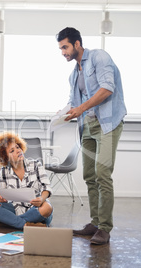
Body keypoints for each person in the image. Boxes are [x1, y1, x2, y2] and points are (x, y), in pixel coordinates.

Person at [56, 27, 126, 245]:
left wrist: (81, 108)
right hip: (87, 125)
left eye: (65, 47)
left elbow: (107, 88)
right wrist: (61, 115)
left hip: (107, 123)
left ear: (77, 44)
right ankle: (95, 223)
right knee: (89, 175)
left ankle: (105, 228)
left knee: (103, 173)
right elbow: (74, 102)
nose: (63, 52)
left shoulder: (99, 57)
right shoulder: (73, 74)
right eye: (60, 48)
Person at [0, 132, 53, 229]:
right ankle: (25, 225)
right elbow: (2, 196)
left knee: (47, 207)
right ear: (5, 157)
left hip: (36, 209)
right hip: (15, 208)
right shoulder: (4, 171)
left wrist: (41, 199)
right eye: (12, 151)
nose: (18, 151)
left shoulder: (36, 165)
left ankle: (10, 222)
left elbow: (47, 188)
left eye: (18, 147)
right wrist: (0, 198)